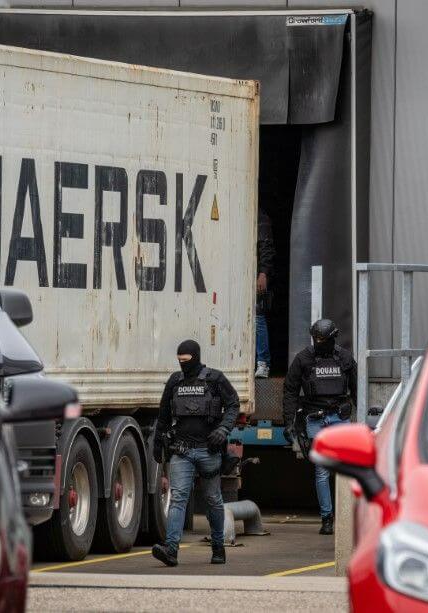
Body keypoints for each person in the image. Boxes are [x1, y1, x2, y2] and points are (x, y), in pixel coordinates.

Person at [151, 339, 240, 567]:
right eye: (179, 361)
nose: (183, 365)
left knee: (213, 500)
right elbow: (163, 415)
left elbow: (233, 404)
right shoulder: (174, 381)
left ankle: (218, 548)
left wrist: (223, 429)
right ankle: (171, 550)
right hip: (182, 451)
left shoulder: (215, 379)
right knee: (178, 498)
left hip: (209, 451)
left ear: (196, 357)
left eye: (187, 360)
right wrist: (158, 444)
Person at [282, 318, 357, 535]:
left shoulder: (344, 357)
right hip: (315, 419)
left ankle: (348, 516)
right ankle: (327, 518)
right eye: (316, 338)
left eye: (323, 339)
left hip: (339, 418)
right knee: (322, 472)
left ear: (333, 338)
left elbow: (356, 386)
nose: (319, 342)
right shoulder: (303, 359)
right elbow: (290, 391)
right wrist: (289, 423)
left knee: (345, 470)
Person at [255, 208, 275, 378]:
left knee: (258, 317)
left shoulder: (260, 218)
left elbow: (267, 247)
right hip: (243, 274)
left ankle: (263, 363)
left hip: (256, 275)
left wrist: (263, 273)